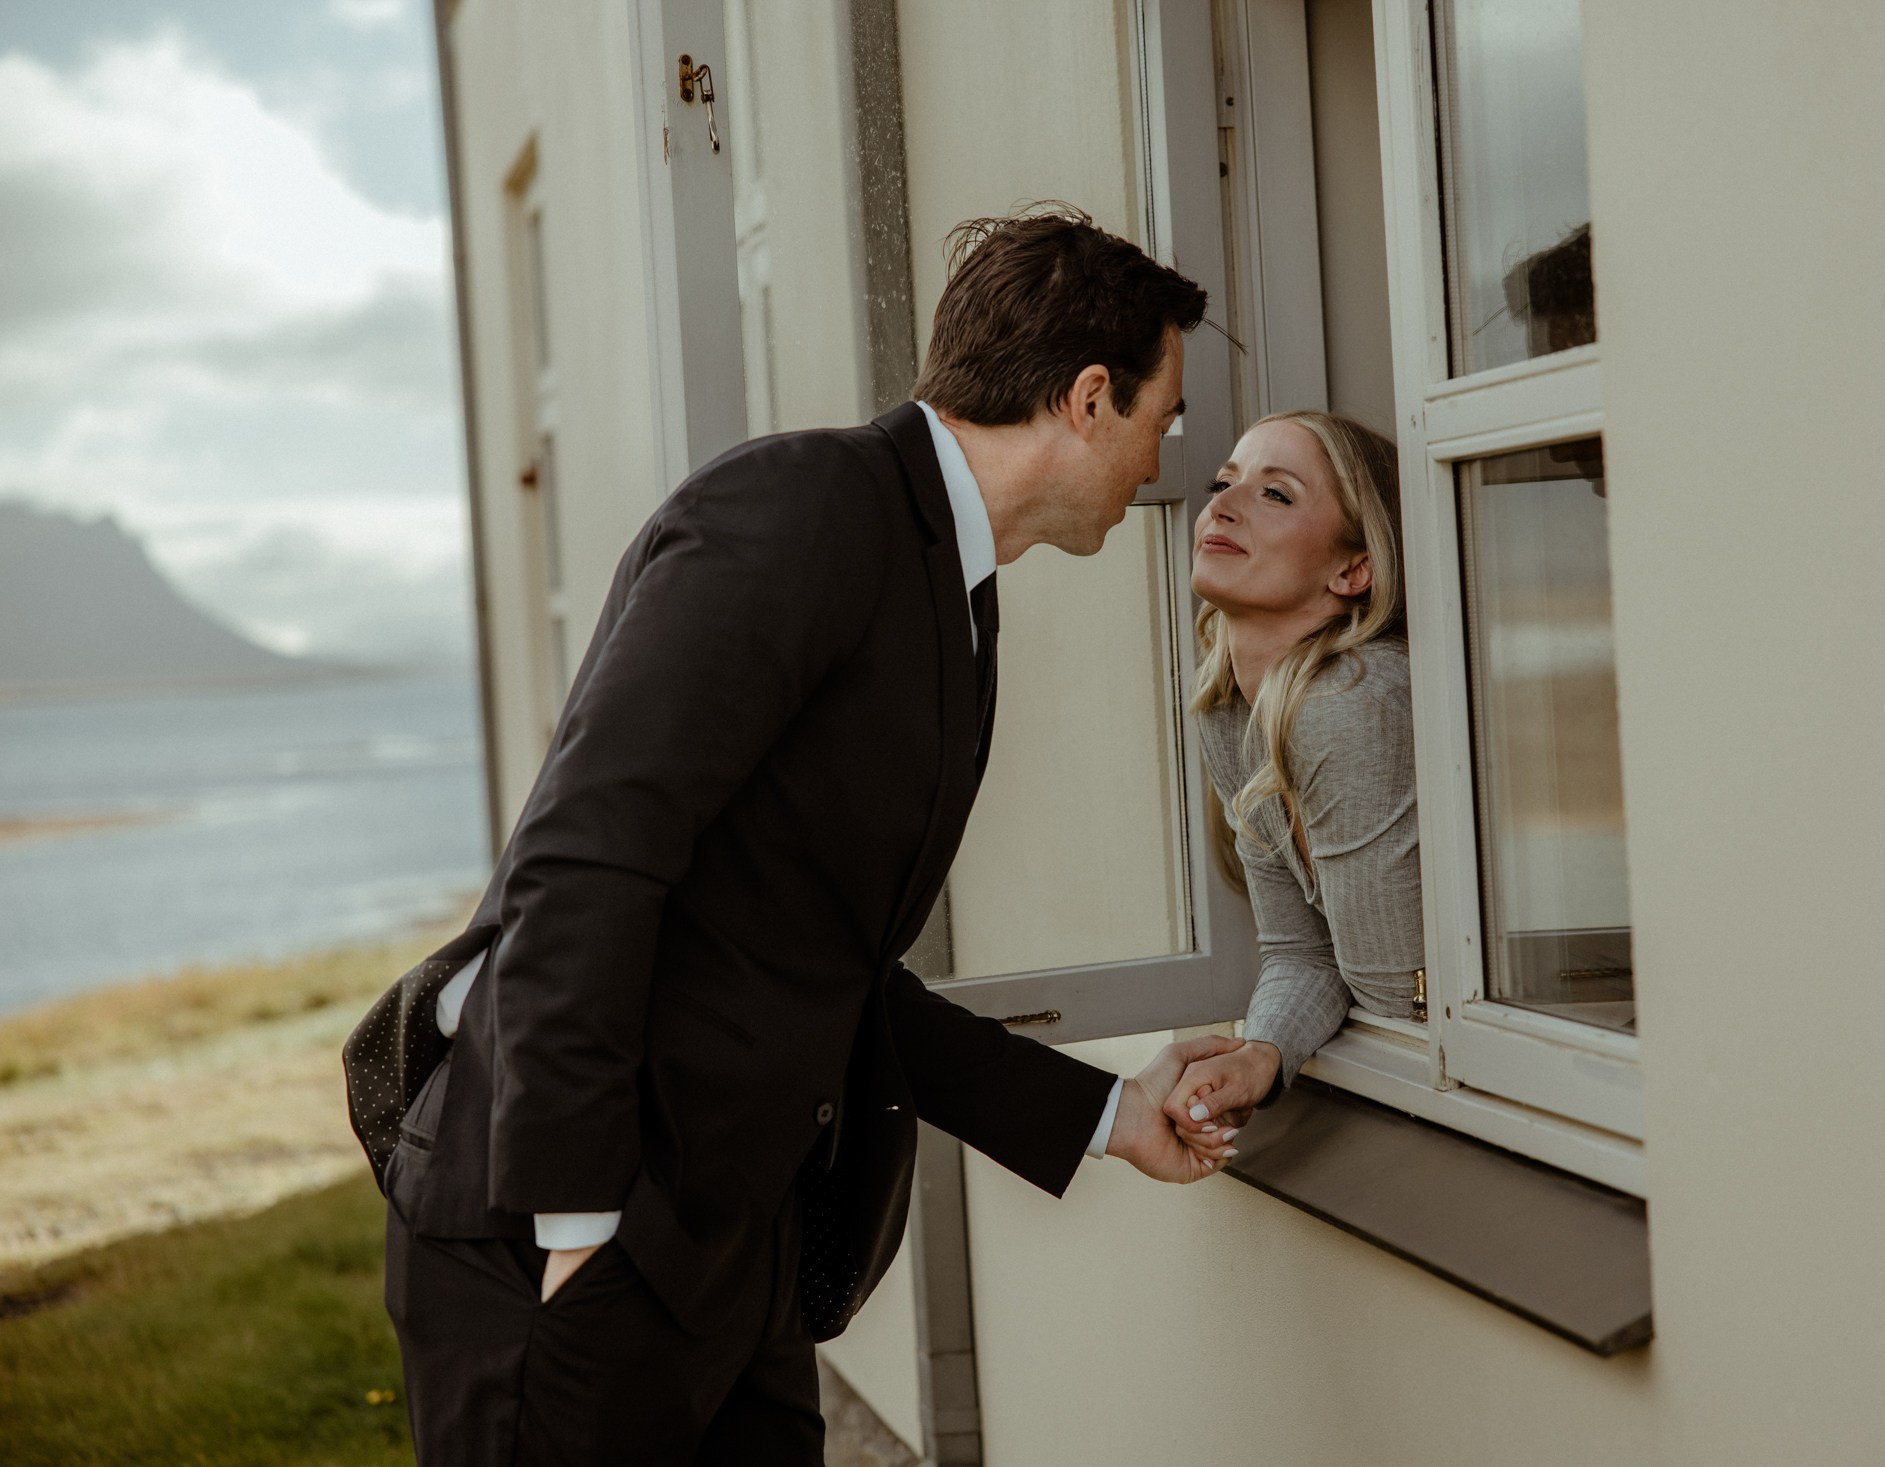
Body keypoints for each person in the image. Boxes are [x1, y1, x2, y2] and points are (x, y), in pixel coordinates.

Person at [367, 208, 1243, 1466]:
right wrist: (573, 1229)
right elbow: (586, 857)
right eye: (1162, 417)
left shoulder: (954, 590)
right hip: (576, 1239)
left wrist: (1107, 1117)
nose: (1163, 460)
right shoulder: (799, 506)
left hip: (728, 1254)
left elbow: (824, 972)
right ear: (1088, 397)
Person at [1161, 411, 1422, 1145]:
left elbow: (1401, 1003)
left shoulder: (1350, 705)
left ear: (1352, 570)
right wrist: (1261, 1055)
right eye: (1225, 482)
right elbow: (1302, 951)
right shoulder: (1230, 710)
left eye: (1276, 494)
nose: (1223, 504)